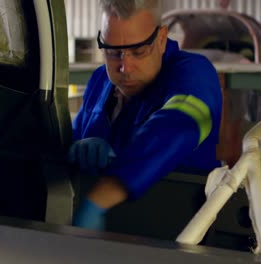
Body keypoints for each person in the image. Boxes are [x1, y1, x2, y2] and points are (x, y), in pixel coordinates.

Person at [68, 0, 222, 230]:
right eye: (113, 52)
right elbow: (71, 140)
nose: (125, 67)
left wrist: (100, 198)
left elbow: (177, 127)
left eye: (138, 52)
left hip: (178, 228)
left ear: (161, 39)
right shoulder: (100, 80)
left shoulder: (194, 73)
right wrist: (77, 146)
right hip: (105, 234)